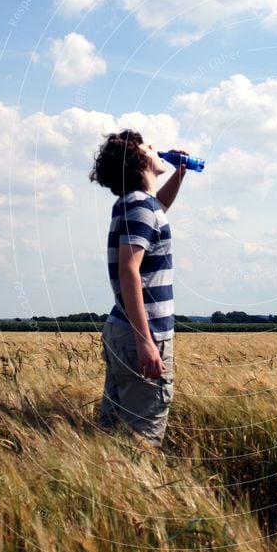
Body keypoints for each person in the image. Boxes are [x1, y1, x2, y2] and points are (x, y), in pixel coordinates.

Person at [89, 129, 188, 448]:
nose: (156, 148)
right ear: (139, 161)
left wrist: (180, 174)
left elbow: (159, 209)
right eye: (148, 146)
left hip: (122, 329)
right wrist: (146, 341)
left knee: (114, 430)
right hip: (142, 335)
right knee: (141, 440)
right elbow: (129, 269)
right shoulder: (140, 207)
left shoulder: (135, 204)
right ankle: (133, 493)